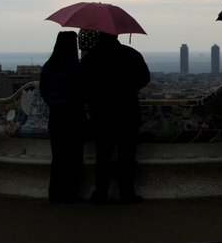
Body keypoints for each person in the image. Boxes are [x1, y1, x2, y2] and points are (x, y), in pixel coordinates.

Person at [80, 32, 150, 205]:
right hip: (127, 112)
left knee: (103, 156)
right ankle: (127, 194)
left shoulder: (91, 58)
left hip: (101, 113)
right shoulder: (131, 54)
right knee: (127, 156)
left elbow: (82, 82)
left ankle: (100, 194)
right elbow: (144, 78)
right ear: (116, 34)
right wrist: (127, 89)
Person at [40, 31, 87, 203]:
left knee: (58, 155)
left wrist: (54, 103)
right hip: (74, 115)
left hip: (56, 115)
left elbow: (43, 91)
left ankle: (55, 193)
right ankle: (69, 194)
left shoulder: (48, 66)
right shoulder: (76, 68)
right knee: (73, 156)